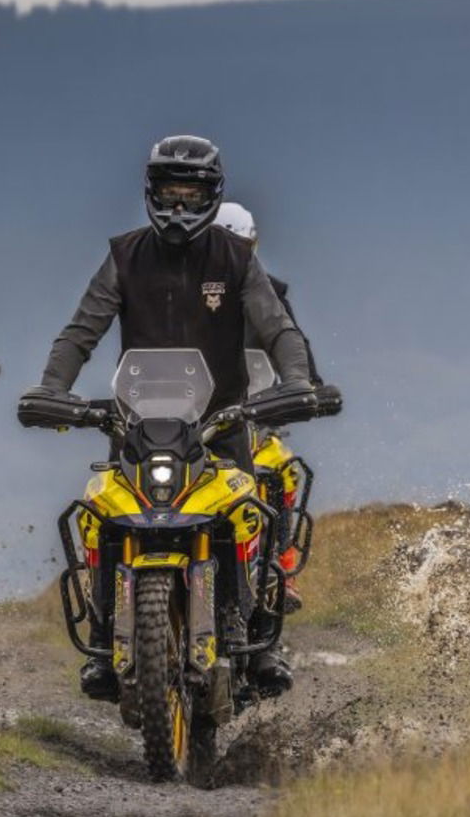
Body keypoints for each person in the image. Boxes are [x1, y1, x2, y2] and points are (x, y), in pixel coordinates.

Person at [22, 135, 321, 701]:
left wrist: (297, 382)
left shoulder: (237, 260)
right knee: (103, 518)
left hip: (222, 427)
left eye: (191, 194)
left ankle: (259, 638)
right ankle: (108, 644)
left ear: (212, 195)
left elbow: (279, 329)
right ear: (150, 193)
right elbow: (80, 333)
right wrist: (51, 389)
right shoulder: (123, 256)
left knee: (248, 512)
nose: (179, 206)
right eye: (169, 193)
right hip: (137, 431)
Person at [215, 201, 322, 613]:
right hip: (183, 425)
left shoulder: (270, 293)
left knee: (278, 468)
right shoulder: (173, 292)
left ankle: (281, 568)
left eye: (244, 247)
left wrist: (310, 385)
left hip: (250, 421)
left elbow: (291, 341)